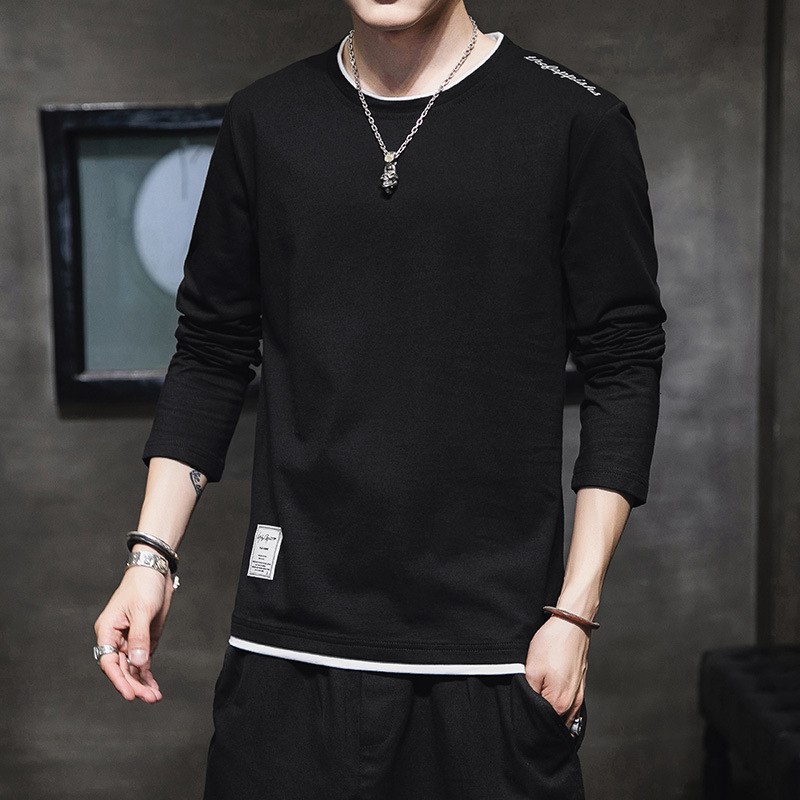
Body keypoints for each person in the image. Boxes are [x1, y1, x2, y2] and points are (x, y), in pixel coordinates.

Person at [94, 1, 666, 797]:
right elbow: (211, 351)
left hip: (493, 658)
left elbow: (624, 362)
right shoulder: (267, 120)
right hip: (289, 650)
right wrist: (150, 559)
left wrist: (574, 612)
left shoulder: (576, 121)